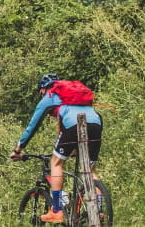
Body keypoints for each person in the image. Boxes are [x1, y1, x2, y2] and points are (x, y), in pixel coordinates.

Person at [11, 73, 103, 224]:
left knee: (56, 163)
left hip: (74, 125)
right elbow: (66, 126)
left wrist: (18, 149)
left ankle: (56, 210)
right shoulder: (72, 95)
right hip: (96, 123)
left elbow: (32, 126)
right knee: (90, 169)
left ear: (43, 89)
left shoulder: (50, 96)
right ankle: (99, 210)